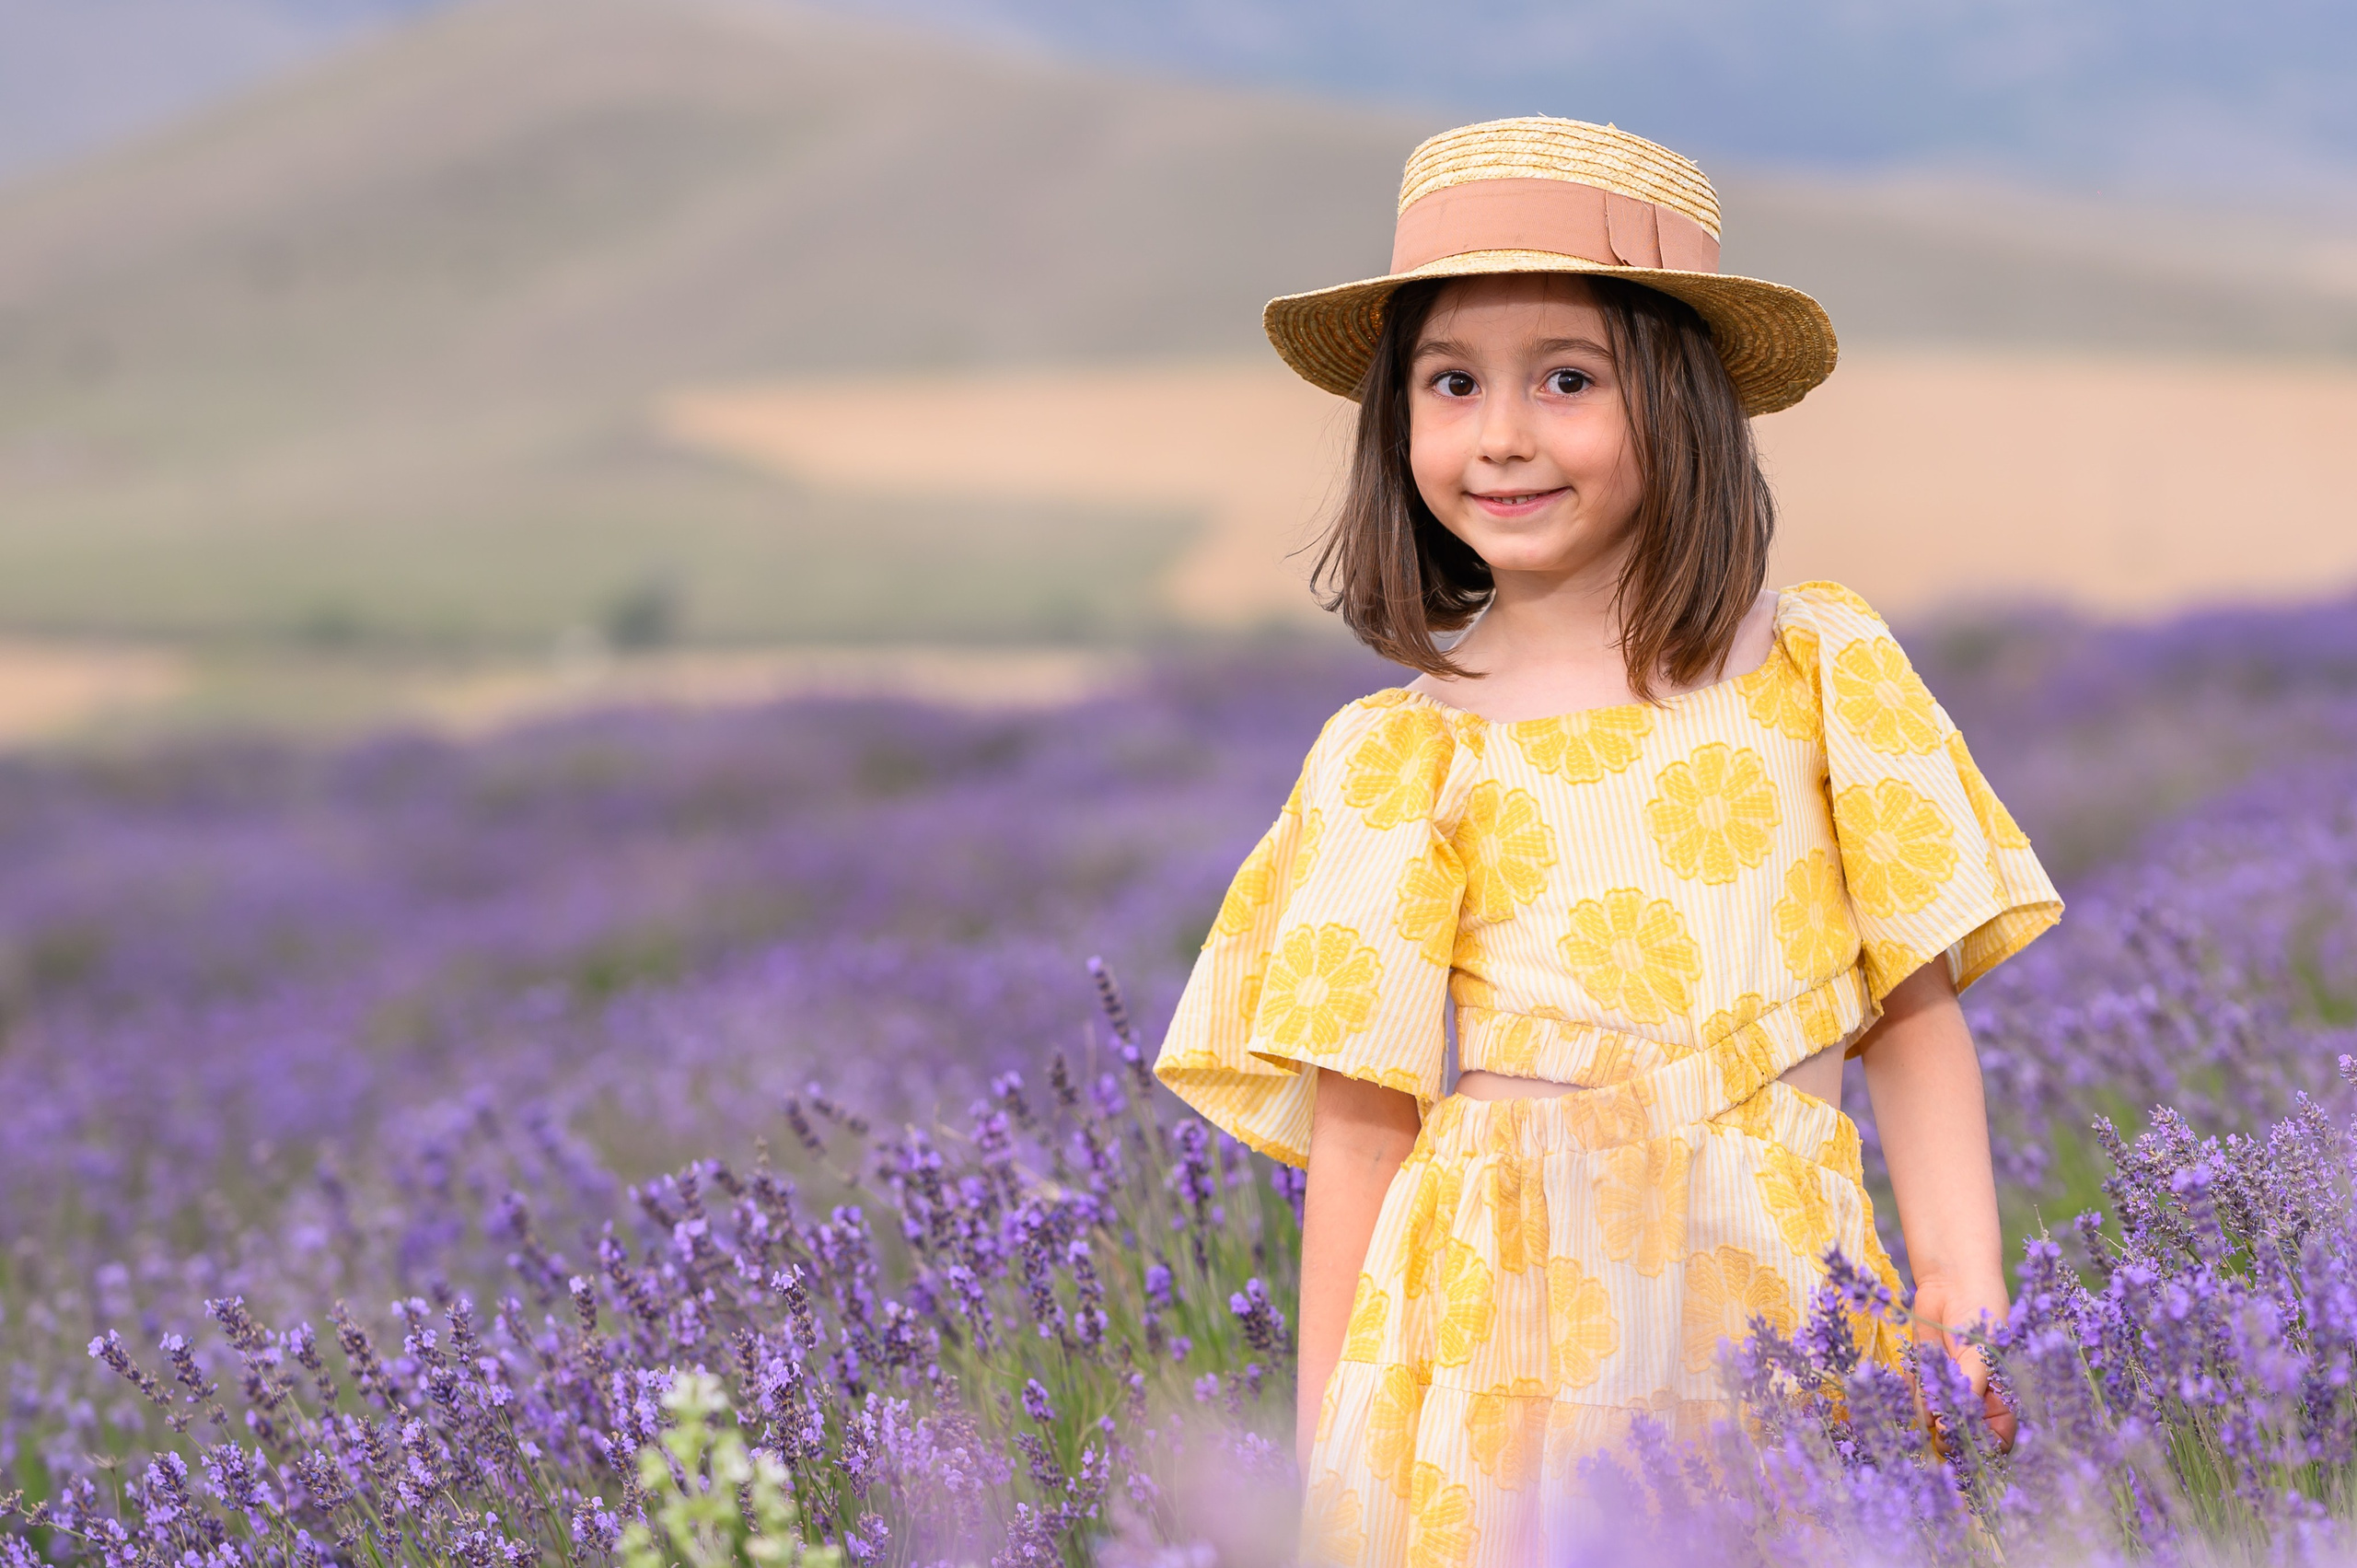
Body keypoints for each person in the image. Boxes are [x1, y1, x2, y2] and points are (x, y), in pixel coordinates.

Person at [1152, 116, 2062, 1565]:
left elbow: (1910, 1006)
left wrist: (1960, 1283)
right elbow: (1362, 1128)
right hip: (1500, 1342)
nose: (1502, 434)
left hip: (1777, 1305)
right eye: (1452, 382)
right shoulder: (1402, 755)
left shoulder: (1818, 676)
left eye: (1567, 378)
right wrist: (1327, 1472)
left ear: (1681, 402)